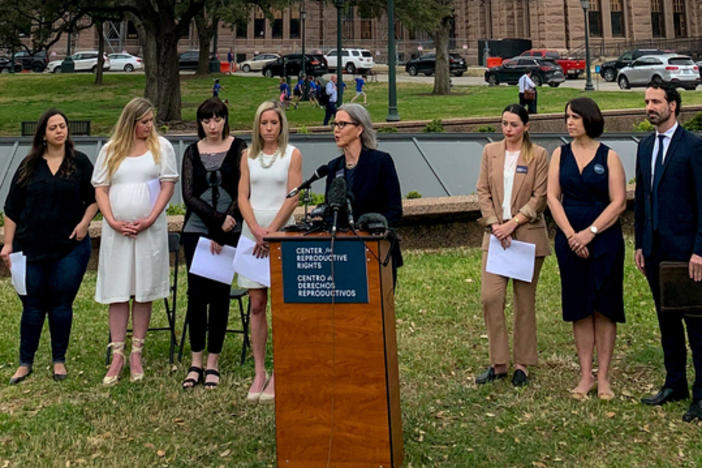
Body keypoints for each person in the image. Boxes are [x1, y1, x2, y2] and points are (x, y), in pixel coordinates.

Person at [2, 109, 97, 385]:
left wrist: (84, 224)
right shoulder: (28, 165)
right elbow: (11, 208)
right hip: (29, 248)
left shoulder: (79, 162)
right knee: (32, 307)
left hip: (69, 248)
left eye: (63, 126)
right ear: (43, 133)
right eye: (53, 127)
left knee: (60, 304)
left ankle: (59, 360)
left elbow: (95, 198)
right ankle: (24, 363)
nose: (59, 131)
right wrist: (8, 244)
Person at [92, 97, 179, 386]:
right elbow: (101, 189)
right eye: (144, 122)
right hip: (118, 231)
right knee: (118, 290)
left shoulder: (161, 147)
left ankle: (137, 352)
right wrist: (113, 221)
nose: (149, 126)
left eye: (151, 121)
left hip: (148, 230)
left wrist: (152, 217)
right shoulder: (110, 150)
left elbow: (168, 184)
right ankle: (117, 353)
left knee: (143, 290)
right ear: (131, 122)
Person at [547, 97, 626, 400]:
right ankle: (585, 376)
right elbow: (553, 198)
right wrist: (570, 235)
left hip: (603, 239)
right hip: (569, 239)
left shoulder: (609, 156)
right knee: (580, 306)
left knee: (604, 307)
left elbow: (618, 202)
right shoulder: (559, 154)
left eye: (575, 117)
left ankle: (604, 378)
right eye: (567, 117)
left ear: (589, 120)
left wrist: (589, 233)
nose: (569, 122)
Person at [634, 83, 702, 422]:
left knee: (697, 327)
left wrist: (699, 251)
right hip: (655, 252)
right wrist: (640, 244)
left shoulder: (693, 147)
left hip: (687, 254)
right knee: (667, 322)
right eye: (647, 101)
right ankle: (675, 383)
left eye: (656, 101)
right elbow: (642, 199)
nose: (650, 107)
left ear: (672, 106)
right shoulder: (645, 147)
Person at [474, 104, 550, 387]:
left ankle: (522, 363)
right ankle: (498, 362)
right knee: (490, 297)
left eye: (513, 124)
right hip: (495, 236)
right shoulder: (490, 152)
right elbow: (482, 191)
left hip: (526, 235)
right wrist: (495, 225)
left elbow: (539, 197)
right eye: (504, 123)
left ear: (526, 127)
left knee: (524, 302)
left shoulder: (539, 155)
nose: (507, 129)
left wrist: (513, 223)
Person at [180, 98, 247, 389]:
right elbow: (189, 194)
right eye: (207, 120)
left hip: (230, 228)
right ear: (200, 123)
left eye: (218, 119)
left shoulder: (239, 148)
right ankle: (195, 361)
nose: (213, 125)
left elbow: (245, 187)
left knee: (219, 295)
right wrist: (213, 225)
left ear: (225, 120)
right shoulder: (192, 152)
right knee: (196, 295)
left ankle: (213, 362)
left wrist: (227, 222)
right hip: (197, 229)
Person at [238, 100, 302, 403]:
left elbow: (293, 197)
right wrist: (254, 229)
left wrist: (273, 231)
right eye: (264, 123)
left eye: (274, 123)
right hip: (253, 234)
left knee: (281, 304)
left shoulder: (292, 155)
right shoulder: (247, 157)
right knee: (257, 304)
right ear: (257, 126)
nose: (268, 128)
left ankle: (280, 371)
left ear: (281, 125)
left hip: (281, 233)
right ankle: (259, 371)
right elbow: (242, 196)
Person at [324, 103, 403, 285]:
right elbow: (331, 211)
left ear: (359, 129)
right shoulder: (334, 167)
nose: (336, 130)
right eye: (334, 125)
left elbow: (395, 210)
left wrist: (376, 228)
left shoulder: (380, 162)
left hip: (376, 250)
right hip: (343, 253)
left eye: (342, 124)